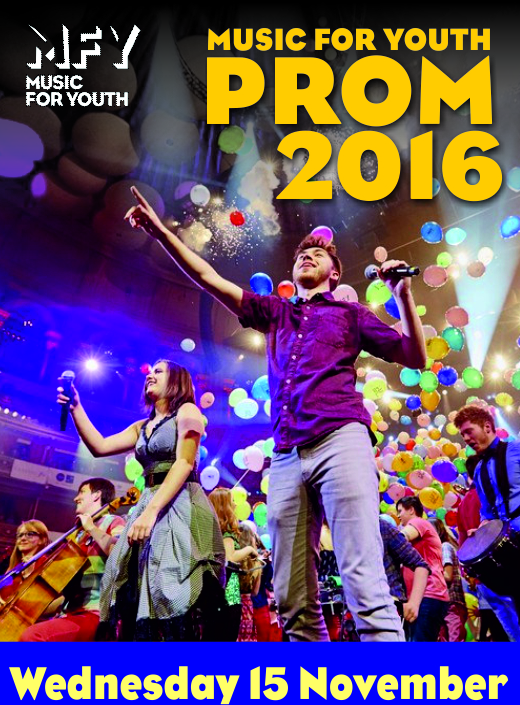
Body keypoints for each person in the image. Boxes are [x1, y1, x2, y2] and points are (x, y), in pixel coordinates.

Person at [124, 186, 426, 642]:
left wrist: (402, 295)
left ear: (334, 272)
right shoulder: (275, 312)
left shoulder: (351, 313)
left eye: (318, 254)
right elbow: (207, 277)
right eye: (302, 253)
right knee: (291, 597)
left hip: (341, 438)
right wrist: (162, 233)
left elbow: (415, 356)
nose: (307, 256)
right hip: (285, 454)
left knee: (363, 578)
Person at [57, 360, 226, 641]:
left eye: (159, 371)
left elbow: (185, 462)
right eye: (150, 371)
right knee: (136, 583)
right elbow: (99, 446)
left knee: (171, 585)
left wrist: (150, 512)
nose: (150, 375)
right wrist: (76, 407)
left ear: (177, 381)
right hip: (149, 501)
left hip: (180, 503)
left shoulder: (188, 411)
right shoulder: (141, 427)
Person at [19, 479, 125, 642]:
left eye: (82, 492)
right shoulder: (76, 535)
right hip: (70, 612)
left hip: (97, 613)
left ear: (97, 495)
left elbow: (120, 554)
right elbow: (63, 592)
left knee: (33, 636)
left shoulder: (114, 521)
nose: (76, 498)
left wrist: (91, 528)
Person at [454, 404, 520, 617]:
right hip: (509, 551)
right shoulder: (479, 470)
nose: (466, 438)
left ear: (487, 426)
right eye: (463, 434)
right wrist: (482, 532)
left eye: (469, 431)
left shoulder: (516, 449)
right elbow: (487, 513)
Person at [396, 496, 449, 641]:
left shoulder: (418, 522)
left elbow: (401, 537)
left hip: (429, 593)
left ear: (411, 510)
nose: (398, 516)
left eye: (400, 511)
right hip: (425, 596)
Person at [208, 487, 258, 641]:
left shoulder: (211, 531)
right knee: (228, 633)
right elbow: (230, 558)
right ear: (225, 506)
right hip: (229, 591)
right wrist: (250, 550)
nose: (236, 505)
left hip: (214, 591)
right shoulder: (226, 532)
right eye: (232, 501)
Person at [379, 517, 430, 627]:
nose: (399, 515)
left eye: (401, 510)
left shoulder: (381, 527)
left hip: (388, 606)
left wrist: (414, 603)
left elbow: (420, 564)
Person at [430, 518, 468, 642]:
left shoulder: (444, 547)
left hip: (452, 601)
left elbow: (447, 575)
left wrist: (428, 572)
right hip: (441, 603)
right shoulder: (436, 551)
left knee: (454, 638)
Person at [236, 522, 262, 642]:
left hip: (232, 605)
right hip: (247, 609)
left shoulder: (232, 560)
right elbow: (255, 592)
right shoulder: (257, 563)